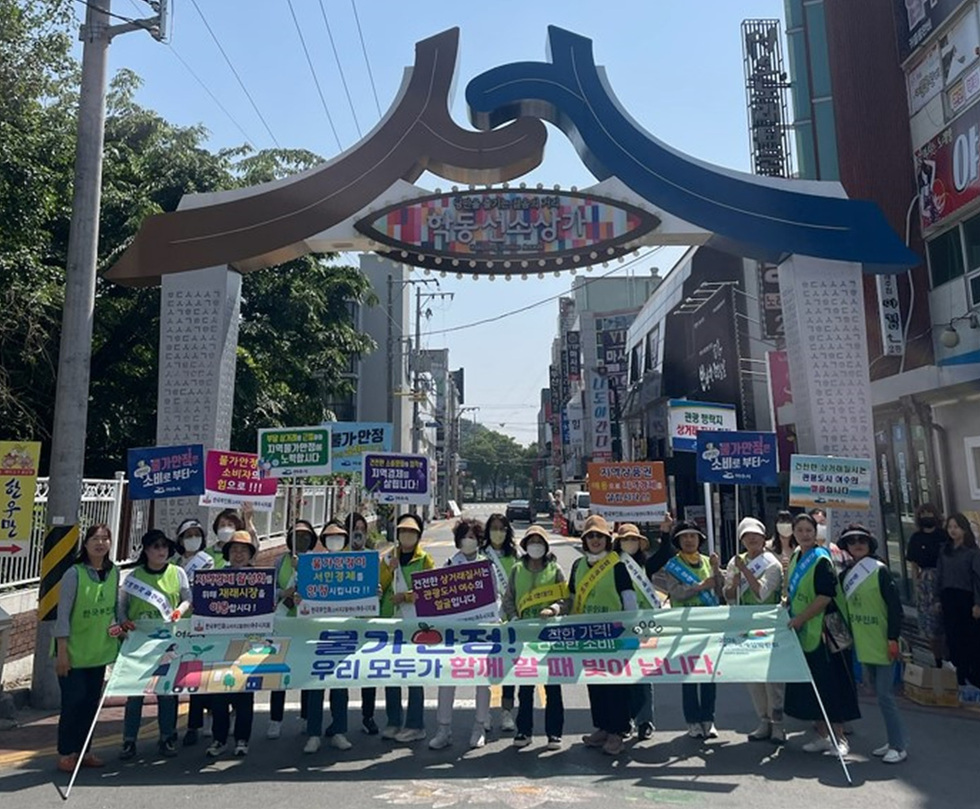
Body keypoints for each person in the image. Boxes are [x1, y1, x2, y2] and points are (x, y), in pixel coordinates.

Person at [783, 513, 860, 756]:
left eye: (809, 530)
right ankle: (821, 734)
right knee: (812, 685)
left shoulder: (821, 559)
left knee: (831, 684)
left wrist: (800, 619)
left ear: (816, 532)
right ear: (793, 533)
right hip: (804, 629)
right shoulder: (796, 556)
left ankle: (840, 738)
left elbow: (825, 597)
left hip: (825, 632)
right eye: (800, 530)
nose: (805, 535)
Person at [118, 529, 191, 761]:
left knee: (166, 691)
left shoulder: (177, 573)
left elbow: (188, 597)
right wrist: (123, 623)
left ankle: (167, 737)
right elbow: (121, 605)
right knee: (134, 692)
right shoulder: (133, 577)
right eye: (155, 546)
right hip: (139, 641)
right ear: (146, 550)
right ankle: (129, 740)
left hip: (168, 639)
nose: (161, 551)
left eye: (164, 546)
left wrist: (180, 610)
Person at [837, 525, 907, 764]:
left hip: (882, 640)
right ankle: (892, 740)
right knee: (878, 694)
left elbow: (895, 607)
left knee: (886, 696)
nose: (857, 544)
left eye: (862, 540)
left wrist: (893, 638)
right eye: (852, 541)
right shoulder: (846, 575)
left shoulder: (880, 570)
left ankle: (899, 745)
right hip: (862, 642)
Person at [568, 514, 637, 756]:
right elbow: (571, 597)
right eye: (590, 536)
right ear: (584, 540)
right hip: (588, 636)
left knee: (615, 685)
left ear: (608, 539)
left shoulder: (617, 565)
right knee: (595, 684)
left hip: (616, 636)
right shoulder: (578, 566)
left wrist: (631, 629)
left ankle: (618, 732)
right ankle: (603, 728)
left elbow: (629, 599)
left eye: (600, 536)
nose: (595, 540)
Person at [53, 524, 120, 772]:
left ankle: (85, 751)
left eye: (105, 538)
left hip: (99, 652)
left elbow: (113, 612)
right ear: (86, 543)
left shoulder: (114, 572)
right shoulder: (74, 574)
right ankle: (66, 753)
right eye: (95, 538)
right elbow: (63, 616)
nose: (100, 543)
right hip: (73, 652)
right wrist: (61, 652)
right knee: (74, 701)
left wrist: (121, 632)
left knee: (91, 703)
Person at [430, 518, 493, 750]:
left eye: (474, 537)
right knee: (448, 679)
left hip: (480, 632)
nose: (469, 541)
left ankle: (479, 726)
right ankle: (443, 729)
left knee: (482, 681)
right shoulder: (449, 564)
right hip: (454, 633)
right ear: (458, 540)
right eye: (465, 536)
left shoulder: (487, 565)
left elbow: (495, 598)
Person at [502, 524, 567, 749]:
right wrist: (513, 617)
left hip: (549, 636)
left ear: (546, 546)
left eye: (539, 542)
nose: (535, 546)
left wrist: (554, 609)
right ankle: (524, 731)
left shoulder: (555, 569)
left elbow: (566, 599)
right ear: (525, 546)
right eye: (531, 542)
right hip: (524, 636)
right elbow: (508, 598)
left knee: (552, 686)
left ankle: (554, 733)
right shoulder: (517, 569)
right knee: (525, 686)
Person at [724, 517, 785, 743]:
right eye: (746, 535)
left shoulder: (772, 563)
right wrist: (733, 582)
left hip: (769, 626)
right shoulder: (735, 562)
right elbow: (728, 596)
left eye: (755, 535)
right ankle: (764, 721)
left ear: (763, 537)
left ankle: (778, 724)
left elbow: (762, 594)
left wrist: (746, 574)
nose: (751, 539)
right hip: (744, 626)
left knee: (773, 678)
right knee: (753, 676)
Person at [663, 520, 724, 740]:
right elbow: (676, 593)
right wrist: (699, 587)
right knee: (688, 676)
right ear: (678, 540)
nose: (689, 540)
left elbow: (720, 590)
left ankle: (709, 719)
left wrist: (718, 570)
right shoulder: (673, 565)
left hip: (708, 626)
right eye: (685, 536)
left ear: (700, 540)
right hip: (685, 627)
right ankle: (692, 721)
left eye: (693, 536)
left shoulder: (709, 561)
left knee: (709, 674)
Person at [378, 513, 432, 743]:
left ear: (418, 535)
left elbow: (431, 591)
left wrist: (407, 597)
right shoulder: (388, 557)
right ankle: (393, 721)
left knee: (414, 673)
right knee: (391, 672)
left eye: (411, 532)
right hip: (390, 622)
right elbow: (378, 585)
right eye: (402, 531)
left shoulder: (425, 560)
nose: (406, 535)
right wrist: (389, 570)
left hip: (415, 624)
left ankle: (415, 724)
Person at [303, 520, 355, 753]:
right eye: (331, 537)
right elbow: (300, 592)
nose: (336, 541)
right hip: (316, 633)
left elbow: (364, 595)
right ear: (323, 541)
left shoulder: (355, 565)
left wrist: (374, 593)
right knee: (315, 686)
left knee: (340, 686)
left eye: (340, 537)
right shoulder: (312, 565)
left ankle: (339, 730)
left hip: (343, 633)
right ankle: (313, 733)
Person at [206, 531, 260, 758]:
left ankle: (242, 739)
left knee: (245, 695)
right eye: (234, 550)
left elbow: (271, 603)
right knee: (218, 694)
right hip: (222, 645)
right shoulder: (216, 577)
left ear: (250, 554)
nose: (239, 555)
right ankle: (219, 739)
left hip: (249, 645)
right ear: (228, 554)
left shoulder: (261, 578)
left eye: (243, 551)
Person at [267, 520, 319, 742]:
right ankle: (275, 719)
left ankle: (307, 716)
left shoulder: (317, 562)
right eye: (297, 536)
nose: (302, 540)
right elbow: (269, 589)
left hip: (306, 623)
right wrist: (284, 593)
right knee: (279, 671)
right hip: (282, 621)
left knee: (306, 669)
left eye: (306, 536)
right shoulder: (280, 562)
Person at [614, 523, 660, 741]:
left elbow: (666, 554)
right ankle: (626, 720)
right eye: (625, 540)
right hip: (620, 627)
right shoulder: (612, 564)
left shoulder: (645, 564)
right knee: (622, 676)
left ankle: (645, 721)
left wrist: (667, 533)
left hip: (644, 628)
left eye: (633, 540)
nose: (629, 543)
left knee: (643, 675)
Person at [174, 518, 215, 747]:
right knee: (181, 676)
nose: (192, 539)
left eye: (196, 534)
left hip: (201, 624)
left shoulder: (206, 561)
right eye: (187, 535)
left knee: (200, 676)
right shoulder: (174, 563)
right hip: (179, 627)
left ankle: (197, 723)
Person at [935, 513, 980, 687]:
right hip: (948, 597)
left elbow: (977, 579)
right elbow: (940, 574)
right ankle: (960, 676)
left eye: (956, 527)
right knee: (952, 637)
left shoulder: (972, 552)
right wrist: (937, 598)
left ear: (964, 529)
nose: (953, 531)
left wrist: (978, 603)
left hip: (966, 597)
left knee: (970, 638)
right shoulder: (944, 550)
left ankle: (973, 676)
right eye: (950, 527)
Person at [483, 511, 519, 733]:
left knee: (509, 668)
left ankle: (507, 712)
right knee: (486, 668)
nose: (498, 532)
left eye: (502, 528)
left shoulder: (515, 556)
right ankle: (484, 712)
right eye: (494, 528)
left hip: (510, 619)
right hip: (487, 620)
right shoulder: (480, 555)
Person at [346, 511, 381, 735]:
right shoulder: (335, 557)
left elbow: (382, 584)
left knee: (368, 671)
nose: (358, 532)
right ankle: (337, 721)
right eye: (353, 528)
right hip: (343, 622)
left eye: (361, 528)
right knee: (339, 673)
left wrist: (378, 590)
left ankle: (368, 716)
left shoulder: (372, 557)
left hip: (367, 621)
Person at [905, 503, 948, 667]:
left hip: (944, 578)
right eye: (923, 514)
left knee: (944, 621)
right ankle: (937, 660)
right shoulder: (916, 538)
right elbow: (913, 564)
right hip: (925, 582)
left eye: (930, 513)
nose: (926, 516)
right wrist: (916, 584)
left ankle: (948, 656)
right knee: (930, 626)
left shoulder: (943, 536)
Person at [768, 510, 797, 600]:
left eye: (788, 522)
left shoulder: (799, 548)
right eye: (781, 522)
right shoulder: (767, 547)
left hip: (793, 591)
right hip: (773, 592)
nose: (785, 525)